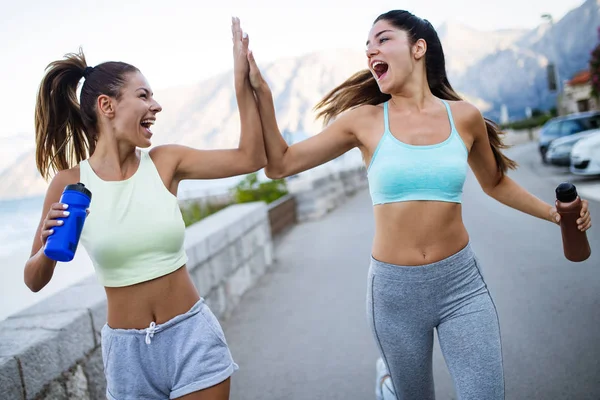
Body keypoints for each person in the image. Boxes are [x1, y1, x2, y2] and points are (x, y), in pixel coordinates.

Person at [244, 9, 592, 400]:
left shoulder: (464, 117)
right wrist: (264, 94)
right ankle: (388, 385)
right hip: (394, 294)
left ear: (418, 49)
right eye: (367, 46)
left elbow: (495, 182)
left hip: (461, 285)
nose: (371, 50)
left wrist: (553, 214)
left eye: (382, 39)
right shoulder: (363, 120)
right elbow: (280, 164)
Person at [24, 18, 262, 400]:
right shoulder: (68, 184)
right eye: (144, 95)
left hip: (192, 338)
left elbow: (251, 157)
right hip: (127, 357)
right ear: (107, 106)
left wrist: (241, 82)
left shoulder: (166, 163)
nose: (156, 106)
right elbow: (33, 280)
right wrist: (49, 248)